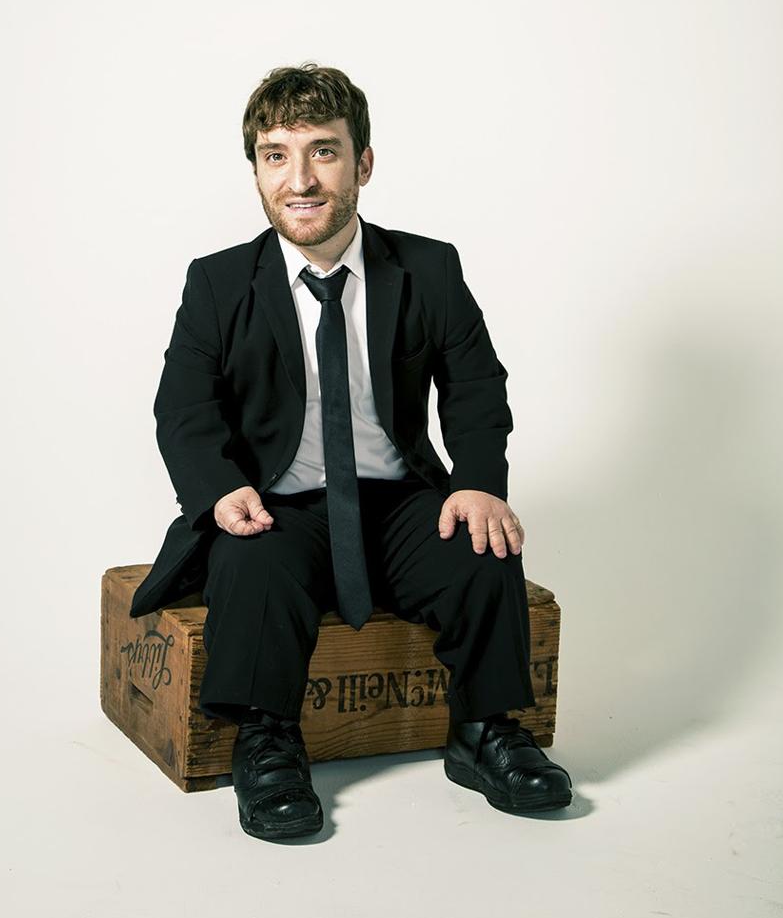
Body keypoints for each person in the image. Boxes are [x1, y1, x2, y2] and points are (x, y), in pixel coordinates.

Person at [130, 62, 572, 841]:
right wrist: (217, 489)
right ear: (258, 169)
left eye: (322, 152)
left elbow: (473, 385)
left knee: (482, 548)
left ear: (362, 163)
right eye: (275, 154)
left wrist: (475, 483)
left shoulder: (427, 268)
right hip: (279, 502)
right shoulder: (218, 283)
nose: (298, 178)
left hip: (396, 499)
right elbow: (184, 408)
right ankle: (266, 741)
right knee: (250, 565)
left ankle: (484, 730)